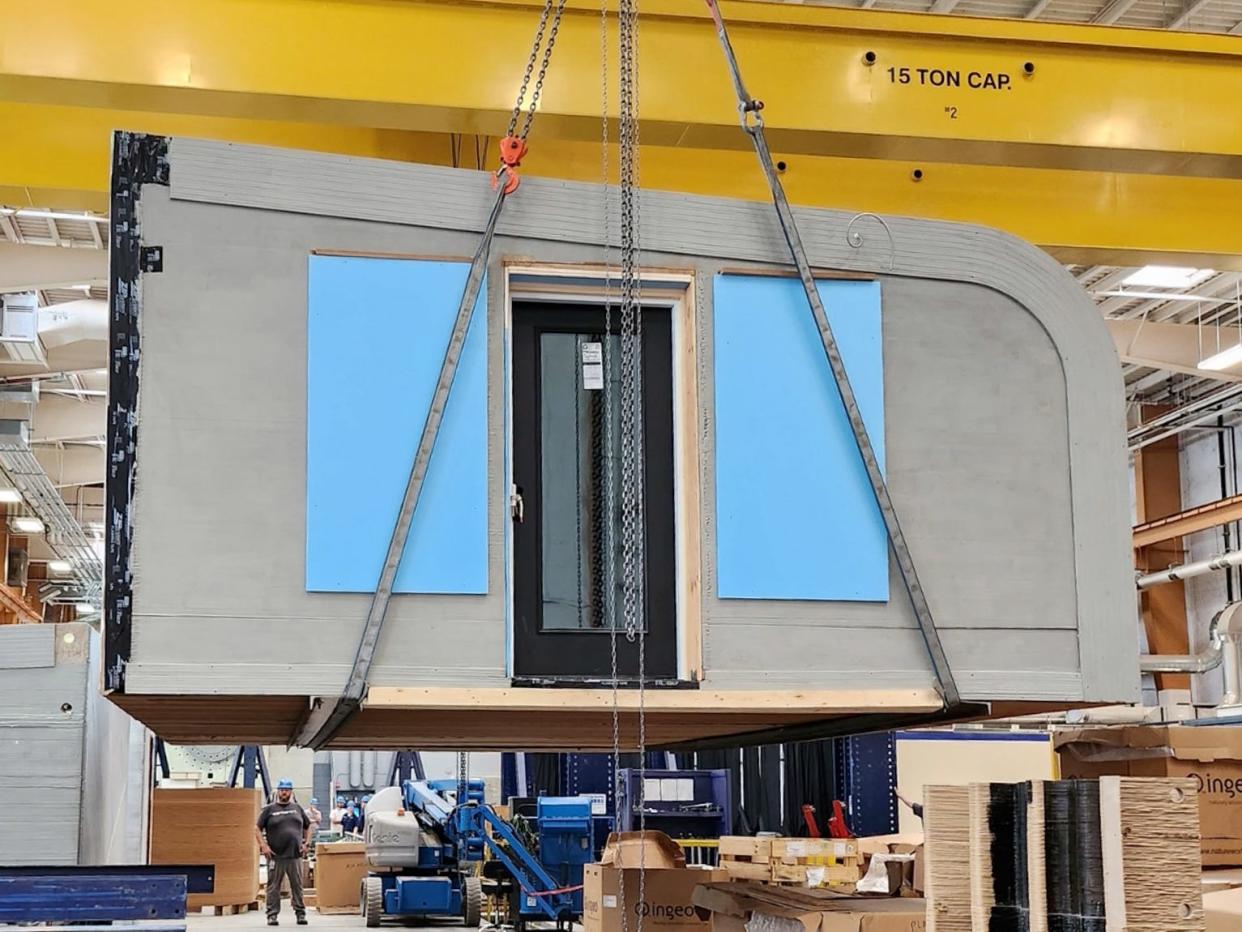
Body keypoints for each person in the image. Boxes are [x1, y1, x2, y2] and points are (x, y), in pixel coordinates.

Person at [255, 778, 312, 927]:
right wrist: (263, 846)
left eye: (286, 790)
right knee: (273, 887)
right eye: (282, 790)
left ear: (291, 792)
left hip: (295, 855)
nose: (284, 792)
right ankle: (272, 915)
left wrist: (307, 843)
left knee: (297, 886)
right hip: (275, 856)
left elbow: (308, 826)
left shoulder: (297, 808)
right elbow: (257, 828)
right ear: (278, 791)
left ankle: (300, 914)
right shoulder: (269, 810)